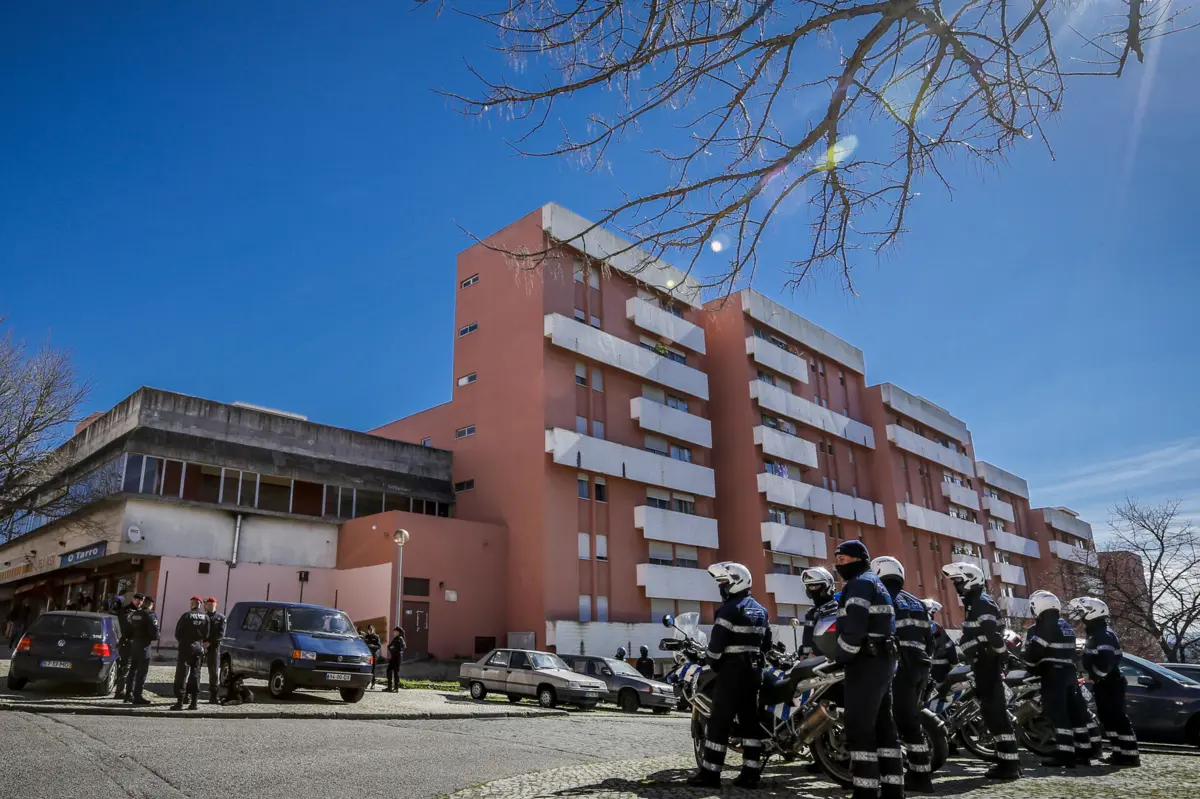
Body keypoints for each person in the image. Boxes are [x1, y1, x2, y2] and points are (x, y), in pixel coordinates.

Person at [686, 562, 771, 790]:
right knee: (750, 723)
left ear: (736, 582)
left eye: (724, 583)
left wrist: (712, 662)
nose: (721, 588)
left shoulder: (729, 610)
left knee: (718, 722)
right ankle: (751, 775)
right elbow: (768, 644)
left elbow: (715, 647)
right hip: (754, 673)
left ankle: (710, 774)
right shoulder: (761, 611)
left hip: (731, 673)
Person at [834, 541, 902, 799]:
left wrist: (841, 656)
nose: (839, 566)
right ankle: (893, 789)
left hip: (865, 662)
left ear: (860, 559)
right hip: (882, 662)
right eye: (837, 561)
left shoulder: (860, 583)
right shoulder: (875, 582)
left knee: (860, 728)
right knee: (884, 728)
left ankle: (865, 792)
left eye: (843, 560)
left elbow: (854, 628)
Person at [942, 562, 1020, 780]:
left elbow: (992, 635)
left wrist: (999, 654)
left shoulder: (981, 603)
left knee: (995, 714)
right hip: (982, 663)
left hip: (987, 663)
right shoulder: (974, 603)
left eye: (958, 580)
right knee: (991, 713)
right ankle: (1006, 762)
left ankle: (1008, 765)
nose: (956, 585)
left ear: (970, 579)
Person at [873, 556, 934, 794]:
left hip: (899, 667)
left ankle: (905, 777)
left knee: (896, 722)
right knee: (912, 722)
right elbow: (931, 639)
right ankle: (921, 774)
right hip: (921, 666)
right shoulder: (917, 602)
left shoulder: (884, 598)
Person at [1070, 597, 1140, 766]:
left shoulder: (1103, 634)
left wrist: (1095, 675)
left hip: (1111, 682)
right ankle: (1119, 753)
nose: (1080, 615)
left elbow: (1106, 662)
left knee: (1117, 718)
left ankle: (1130, 755)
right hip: (1105, 682)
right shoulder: (1097, 633)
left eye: (1082, 611)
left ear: (1092, 612)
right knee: (1108, 718)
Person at [1023, 590, 1085, 768]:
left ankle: (1065, 755)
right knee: (1073, 714)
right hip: (1069, 673)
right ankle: (1082, 751)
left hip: (1054, 675)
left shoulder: (1045, 624)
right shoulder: (1065, 625)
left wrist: (1028, 664)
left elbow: (1035, 651)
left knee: (1058, 715)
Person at [172, 596, 211, 711]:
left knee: (182, 674)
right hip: (198, 647)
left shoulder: (187, 615)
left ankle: (180, 702)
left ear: (193, 603)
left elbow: (178, 633)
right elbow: (207, 634)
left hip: (186, 646)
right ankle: (194, 702)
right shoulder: (206, 617)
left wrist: (183, 642)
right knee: (196, 674)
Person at [125, 594, 159, 705]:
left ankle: (128, 694)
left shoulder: (135, 613)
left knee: (132, 670)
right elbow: (155, 634)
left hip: (134, 644)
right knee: (141, 672)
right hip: (144, 645)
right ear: (152, 604)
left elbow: (129, 629)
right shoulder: (150, 615)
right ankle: (138, 696)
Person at [799, 567, 836, 658]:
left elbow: (830, 641)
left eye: (816, 586)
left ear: (827, 586)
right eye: (810, 586)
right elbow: (808, 639)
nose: (812, 589)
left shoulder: (835, 611)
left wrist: (817, 653)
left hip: (828, 663)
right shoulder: (812, 613)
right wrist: (802, 653)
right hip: (810, 664)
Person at [924, 599, 959, 688]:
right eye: (933, 612)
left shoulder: (914, 626)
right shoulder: (935, 627)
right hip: (940, 669)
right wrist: (954, 663)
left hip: (922, 668)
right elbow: (948, 645)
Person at [112, 594, 141, 700]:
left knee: (134, 668)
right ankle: (119, 691)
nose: (139, 602)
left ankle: (129, 691)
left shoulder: (141, 610)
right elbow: (127, 624)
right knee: (125, 667)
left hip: (137, 642)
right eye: (138, 600)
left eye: (141, 601)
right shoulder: (126, 610)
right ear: (133, 600)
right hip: (127, 642)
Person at [203, 597, 226, 704]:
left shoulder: (220, 618)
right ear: (206, 605)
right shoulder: (203, 616)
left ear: (216, 604)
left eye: (212, 603)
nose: (210, 605)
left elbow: (221, 634)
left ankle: (213, 696)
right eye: (208, 603)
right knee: (195, 671)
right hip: (201, 646)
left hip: (214, 647)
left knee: (214, 673)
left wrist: (210, 642)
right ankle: (191, 694)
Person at [386, 626, 406, 692]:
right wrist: (392, 648)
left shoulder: (400, 638)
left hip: (397, 657)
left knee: (396, 672)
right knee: (389, 670)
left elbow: (401, 648)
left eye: (395, 631)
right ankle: (389, 687)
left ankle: (396, 688)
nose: (394, 632)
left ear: (398, 632)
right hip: (393, 657)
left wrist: (393, 648)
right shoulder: (395, 639)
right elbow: (389, 646)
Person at [363, 625, 382, 689]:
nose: (370, 631)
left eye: (371, 630)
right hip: (367, 655)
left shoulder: (376, 637)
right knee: (367, 669)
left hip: (373, 655)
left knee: (373, 670)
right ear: (367, 630)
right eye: (369, 630)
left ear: (374, 630)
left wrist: (373, 646)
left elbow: (379, 646)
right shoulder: (366, 636)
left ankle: (373, 683)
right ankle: (366, 683)